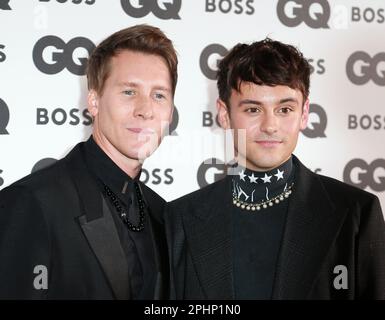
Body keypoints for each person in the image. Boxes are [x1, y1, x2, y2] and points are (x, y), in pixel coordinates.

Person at [165, 38, 385, 299]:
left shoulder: (355, 214)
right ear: (225, 115)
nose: (270, 125)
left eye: (284, 109)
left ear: (304, 114)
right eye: (253, 109)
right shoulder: (181, 218)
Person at [0, 24, 177, 299]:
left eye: (159, 95)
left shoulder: (162, 214)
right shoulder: (33, 203)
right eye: (129, 92)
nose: (146, 110)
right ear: (93, 102)